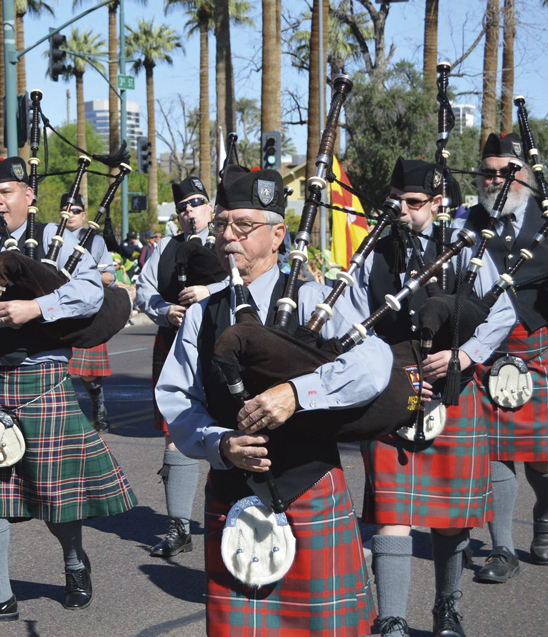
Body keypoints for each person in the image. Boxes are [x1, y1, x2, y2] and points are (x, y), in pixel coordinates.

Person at [157, 165, 389, 635]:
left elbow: (375, 360)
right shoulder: (203, 314)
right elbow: (177, 397)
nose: (228, 236)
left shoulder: (314, 298)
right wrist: (220, 443)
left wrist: (298, 393)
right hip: (233, 496)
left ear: (278, 235)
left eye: (244, 225)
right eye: (222, 224)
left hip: (310, 485)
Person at [0, 157, 136, 625]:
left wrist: (37, 308)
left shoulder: (55, 240)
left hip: (39, 380)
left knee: (52, 490)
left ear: (28, 196)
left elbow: (91, 292)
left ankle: (74, 561)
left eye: (6, 192)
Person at [345, 158, 515, 637]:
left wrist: (465, 355)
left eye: (413, 202)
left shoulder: (464, 247)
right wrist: (387, 373)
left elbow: (502, 311)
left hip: (452, 391)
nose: (401, 209)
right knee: (392, 513)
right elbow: (355, 324)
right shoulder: (374, 251)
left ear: (438, 203)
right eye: (395, 200)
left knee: (451, 518)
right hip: (392, 393)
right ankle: (391, 619)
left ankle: (446, 608)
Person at [465, 133, 548, 584]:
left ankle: (545, 520)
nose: (496, 179)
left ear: (526, 175)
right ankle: (502, 548)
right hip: (486, 348)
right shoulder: (466, 222)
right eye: (489, 172)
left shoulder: (546, 216)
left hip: (538, 341)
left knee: (543, 454)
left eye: (506, 172)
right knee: (495, 451)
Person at [135, 176, 225, 558]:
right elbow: (143, 290)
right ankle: (179, 527)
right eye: (183, 207)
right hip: (173, 343)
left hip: (222, 344)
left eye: (196, 203)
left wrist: (210, 292)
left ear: (210, 207)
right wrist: (164, 309)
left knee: (231, 426)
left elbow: (249, 281)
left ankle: (233, 516)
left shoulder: (227, 240)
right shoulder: (165, 248)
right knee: (175, 429)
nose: (190, 211)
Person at [61, 192, 116, 432]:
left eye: (75, 210)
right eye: (66, 210)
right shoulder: (51, 238)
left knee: (88, 374)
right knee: (57, 369)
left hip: (88, 312)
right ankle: (66, 419)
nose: (70, 214)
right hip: (59, 311)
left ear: (84, 215)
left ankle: (100, 413)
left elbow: (110, 276)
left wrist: (85, 274)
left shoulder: (95, 241)